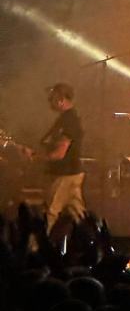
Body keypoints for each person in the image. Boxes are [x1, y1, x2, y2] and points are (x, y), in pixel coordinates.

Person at [24, 83, 86, 231]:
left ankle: (38, 248)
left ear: (61, 100)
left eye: (52, 98)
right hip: (72, 174)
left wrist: (35, 156)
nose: (49, 102)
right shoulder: (65, 119)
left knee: (50, 213)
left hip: (64, 176)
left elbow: (59, 154)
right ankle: (92, 243)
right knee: (79, 215)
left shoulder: (69, 121)